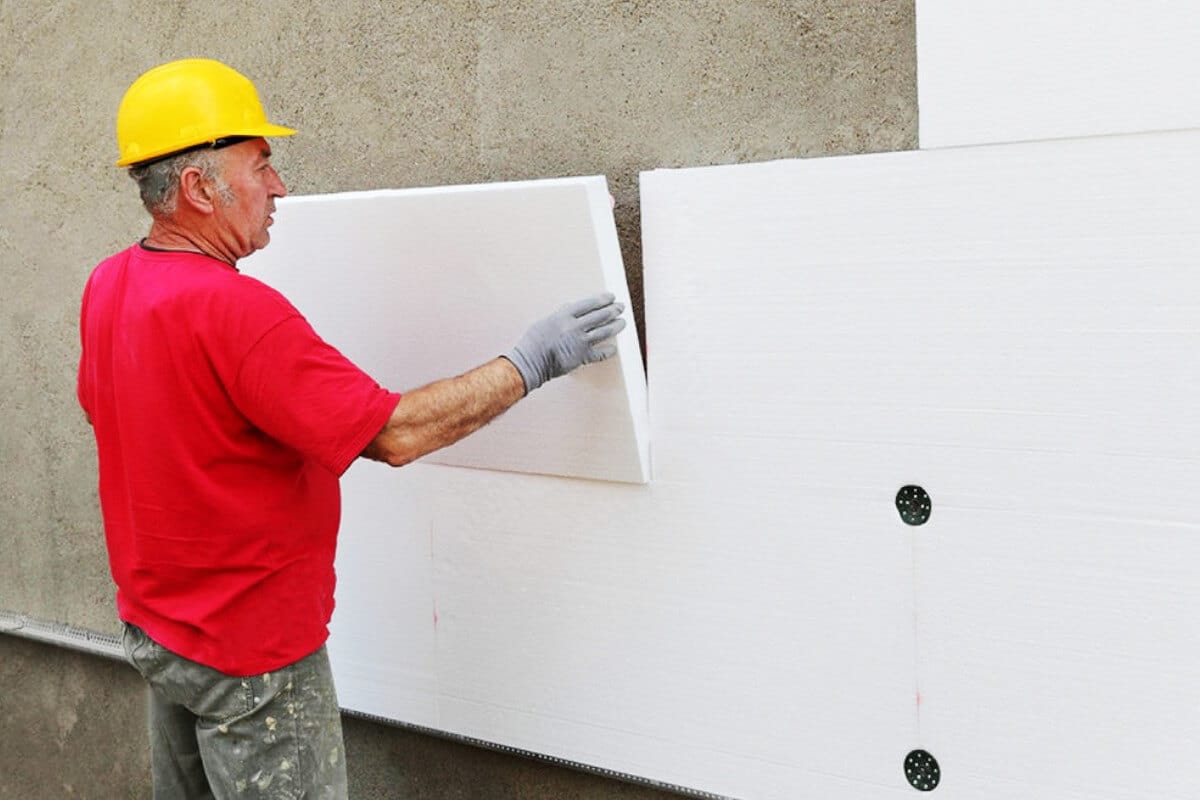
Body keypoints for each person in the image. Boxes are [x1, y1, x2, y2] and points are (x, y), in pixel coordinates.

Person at [76, 58, 626, 800]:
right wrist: (529, 361)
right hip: (253, 661)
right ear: (200, 188)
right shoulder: (236, 312)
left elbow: (130, 419)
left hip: (162, 636)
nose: (280, 187)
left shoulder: (110, 284)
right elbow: (392, 434)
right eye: (262, 166)